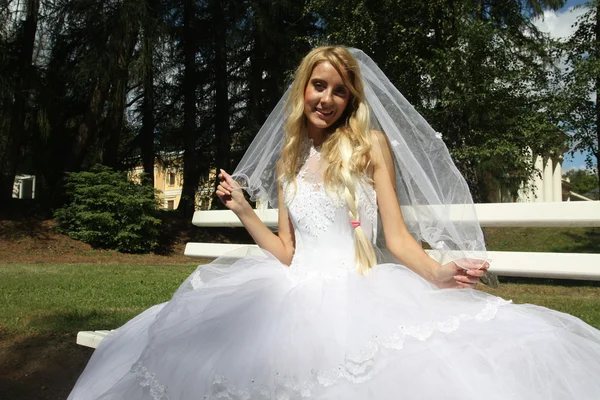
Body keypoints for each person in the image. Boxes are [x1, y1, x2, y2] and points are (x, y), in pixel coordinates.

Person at [68, 46, 600, 400]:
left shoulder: (370, 146)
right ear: (304, 89)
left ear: (351, 99)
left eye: (338, 90)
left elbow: (396, 237)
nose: (326, 98)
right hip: (287, 291)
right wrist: (245, 211)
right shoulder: (289, 156)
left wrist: (438, 273)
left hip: (357, 290)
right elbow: (285, 251)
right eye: (318, 86)